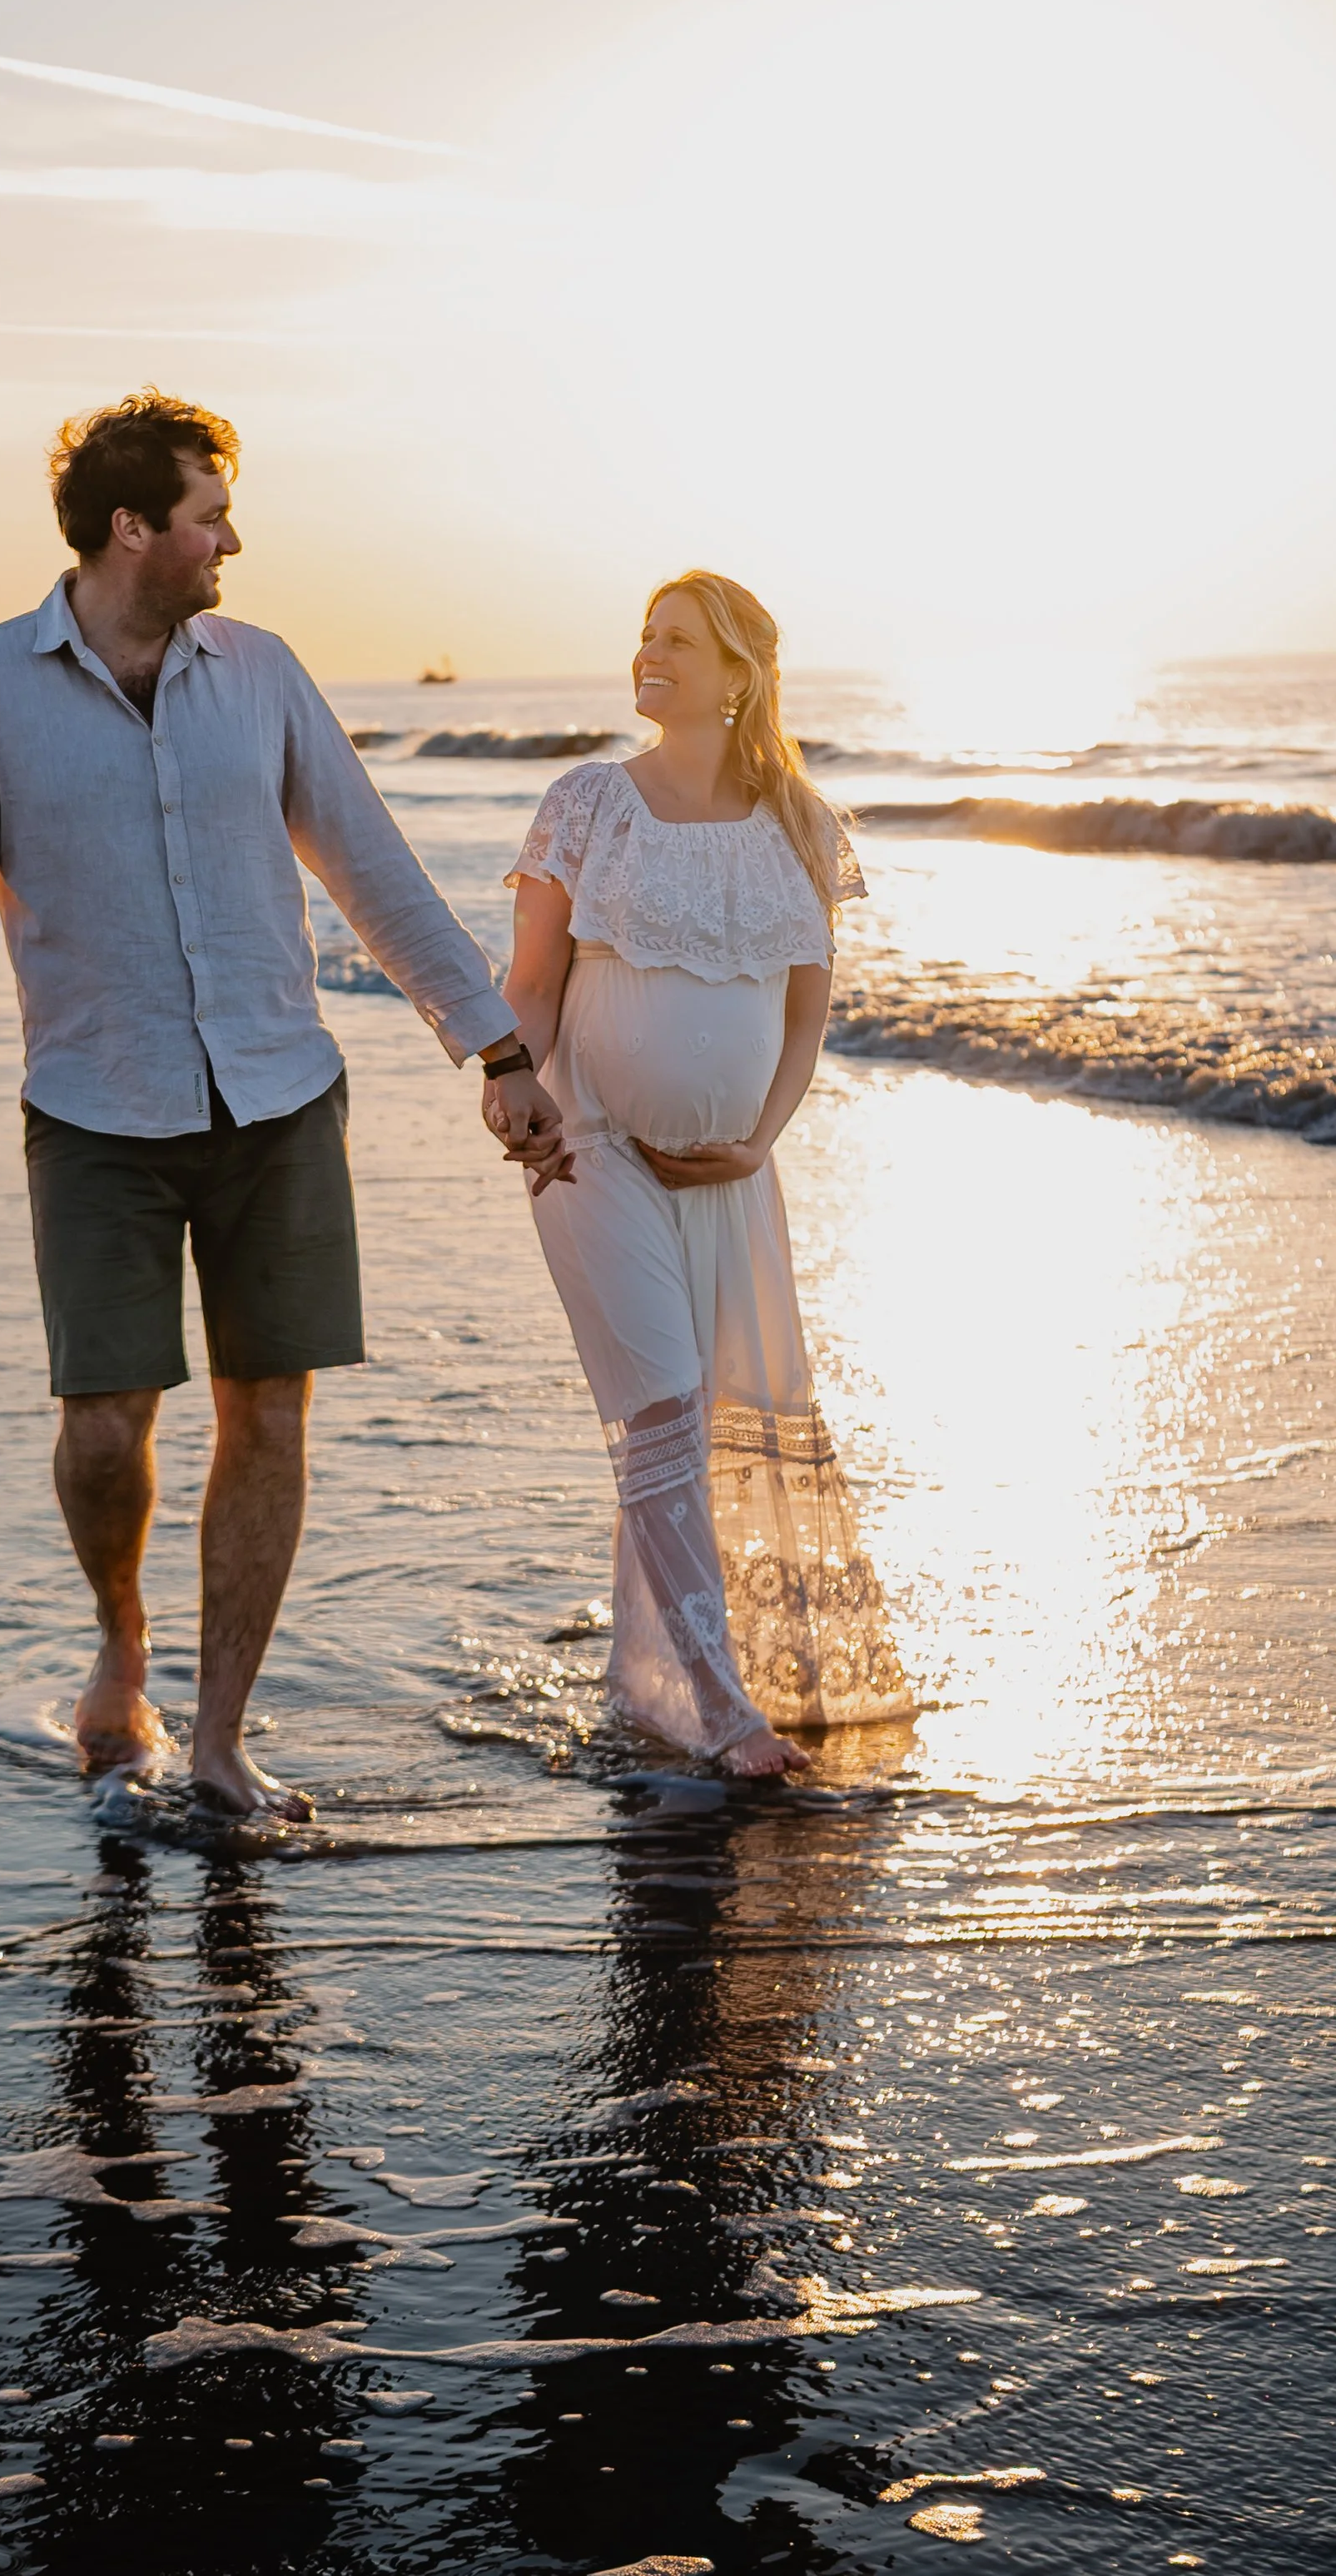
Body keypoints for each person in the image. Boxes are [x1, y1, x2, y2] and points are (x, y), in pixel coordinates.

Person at [0, 391, 569, 1823]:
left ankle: (218, 1734)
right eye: (211, 517)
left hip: (279, 1095)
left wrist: (499, 1054)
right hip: (93, 1109)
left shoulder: (260, 673)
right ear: (133, 529)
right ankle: (123, 1641)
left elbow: (369, 867)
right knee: (102, 1426)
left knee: (272, 1410)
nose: (233, 542)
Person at [502, 569, 911, 1775]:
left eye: (679, 640)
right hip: (589, 1151)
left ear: (741, 674)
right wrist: (504, 1080)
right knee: (667, 1408)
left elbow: (804, 1018)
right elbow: (529, 985)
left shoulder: (802, 822)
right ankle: (727, 1709)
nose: (651, 654)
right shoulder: (587, 804)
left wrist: (762, 1138)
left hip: (731, 1173)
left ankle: (657, 1684)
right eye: (644, 636)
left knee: (713, 1415)